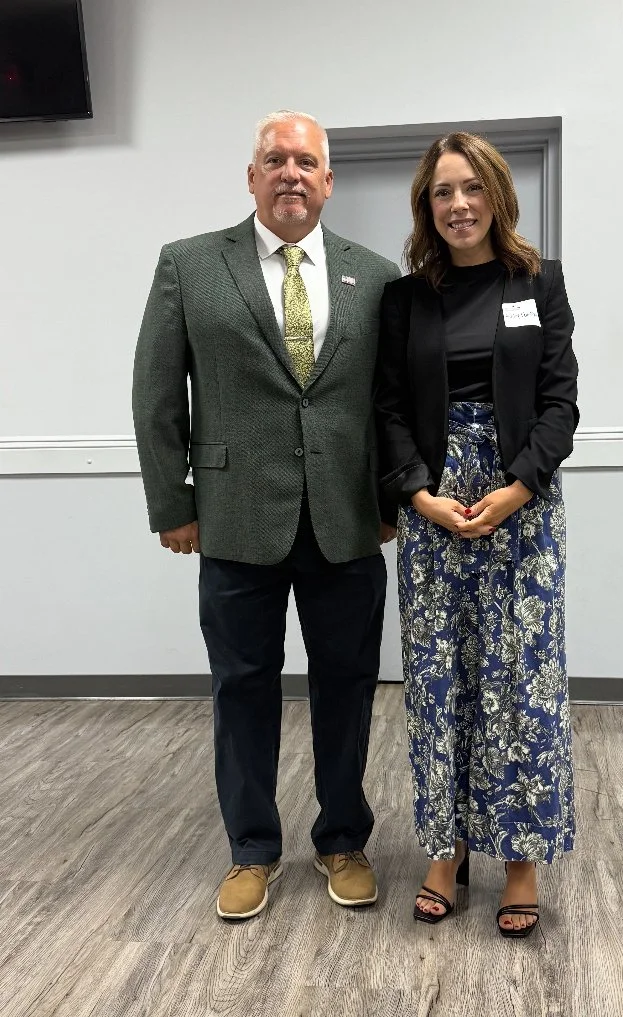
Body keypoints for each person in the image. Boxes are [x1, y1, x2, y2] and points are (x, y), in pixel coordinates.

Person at [133, 110, 400, 920]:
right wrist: (172, 506)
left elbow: (390, 404)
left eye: (306, 161)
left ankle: (343, 838)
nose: (290, 172)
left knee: (347, 688)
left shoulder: (376, 274)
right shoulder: (189, 265)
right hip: (232, 519)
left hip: (347, 523)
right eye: (274, 159)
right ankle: (251, 848)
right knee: (240, 688)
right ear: (251, 177)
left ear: (327, 180)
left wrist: (390, 500)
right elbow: (155, 394)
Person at [375, 132, 578, 938]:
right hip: (433, 508)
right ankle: (446, 846)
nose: (456, 204)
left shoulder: (539, 281)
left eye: (470, 188)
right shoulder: (405, 298)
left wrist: (518, 484)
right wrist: (417, 494)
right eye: (440, 192)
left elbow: (561, 398)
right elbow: (386, 408)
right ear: (426, 206)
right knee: (438, 681)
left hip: (520, 504)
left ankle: (520, 857)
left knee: (521, 682)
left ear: (495, 194)